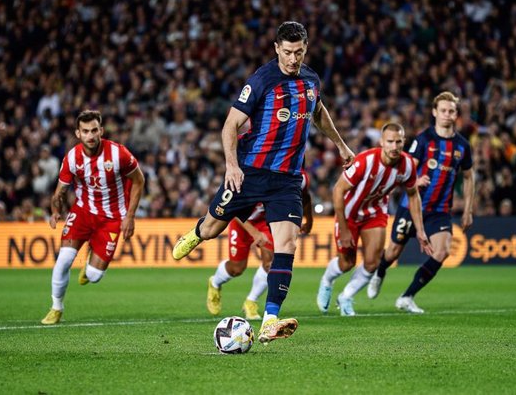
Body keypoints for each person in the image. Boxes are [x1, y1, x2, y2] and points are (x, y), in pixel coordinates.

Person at [172, 21, 354, 344]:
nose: (293, 59)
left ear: (306, 49)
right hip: (249, 171)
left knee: (287, 245)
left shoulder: (311, 80)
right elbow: (230, 126)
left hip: (286, 179)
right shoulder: (261, 80)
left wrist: (340, 144)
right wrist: (231, 166)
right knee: (214, 229)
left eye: (298, 52)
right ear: (276, 49)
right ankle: (197, 232)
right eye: (287, 52)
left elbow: (319, 111)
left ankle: (270, 319)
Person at [369, 91, 475, 314]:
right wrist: (416, 180)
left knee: (443, 251)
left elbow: (468, 177)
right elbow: (407, 168)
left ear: (456, 114)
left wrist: (468, 209)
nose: (447, 114)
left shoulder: (462, 146)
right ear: (435, 112)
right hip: (412, 207)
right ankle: (380, 270)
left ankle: (407, 296)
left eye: (451, 111)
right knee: (393, 252)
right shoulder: (423, 139)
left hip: (439, 210)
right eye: (443, 110)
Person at [41, 110, 145, 325]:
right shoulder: (72, 158)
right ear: (78, 133)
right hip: (83, 213)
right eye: (85, 131)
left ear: (101, 131)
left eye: (94, 130)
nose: (91, 135)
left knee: (95, 276)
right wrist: (54, 211)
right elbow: (59, 192)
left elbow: (139, 180)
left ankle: (90, 260)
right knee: (63, 262)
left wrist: (130, 217)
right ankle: (56, 307)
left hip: (113, 217)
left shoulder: (118, 154)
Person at [316, 123, 429, 316]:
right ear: (382, 142)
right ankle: (327, 281)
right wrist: (343, 228)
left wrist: (420, 230)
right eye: (390, 142)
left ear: (404, 142)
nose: (394, 146)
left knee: (372, 262)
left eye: (398, 142)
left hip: (375, 213)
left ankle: (346, 297)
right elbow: (338, 190)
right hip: (349, 214)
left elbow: (413, 195)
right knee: (346, 264)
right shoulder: (365, 161)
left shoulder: (408, 165)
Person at [207, 169, 313, 320]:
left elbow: (305, 196)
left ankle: (251, 301)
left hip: (265, 221)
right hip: (241, 222)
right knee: (237, 268)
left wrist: (309, 219)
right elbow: (232, 210)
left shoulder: (298, 176)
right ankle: (215, 282)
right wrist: (254, 233)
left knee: (270, 262)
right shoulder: (247, 173)